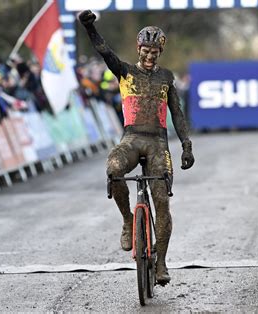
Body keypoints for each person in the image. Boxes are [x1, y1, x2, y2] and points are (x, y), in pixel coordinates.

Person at [78, 10, 195, 286]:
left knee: (162, 204)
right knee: (113, 169)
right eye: (146, 50)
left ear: (160, 52)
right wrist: (89, 28)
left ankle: (162, 264)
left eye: (155, 51)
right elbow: (104, 51)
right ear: (138, 48)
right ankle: (128, 219)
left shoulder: (166, 77)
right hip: (131, 139)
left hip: (158, 143)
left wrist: (186, 146)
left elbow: (177, 114)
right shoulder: (125, 71)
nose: (150, 55)